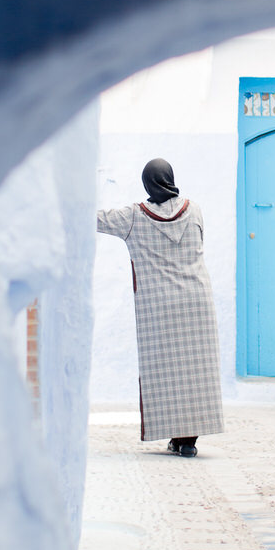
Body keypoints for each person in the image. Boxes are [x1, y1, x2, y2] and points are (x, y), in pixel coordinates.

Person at [96, 158, 224, 456]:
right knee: (195, 370)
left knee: (166, 371)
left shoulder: (132, 216)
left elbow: (97, 219)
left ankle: (175, 436)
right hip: (197, 300)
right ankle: (187, 441)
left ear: (147, 184)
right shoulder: (194, 210)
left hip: (160, 305)